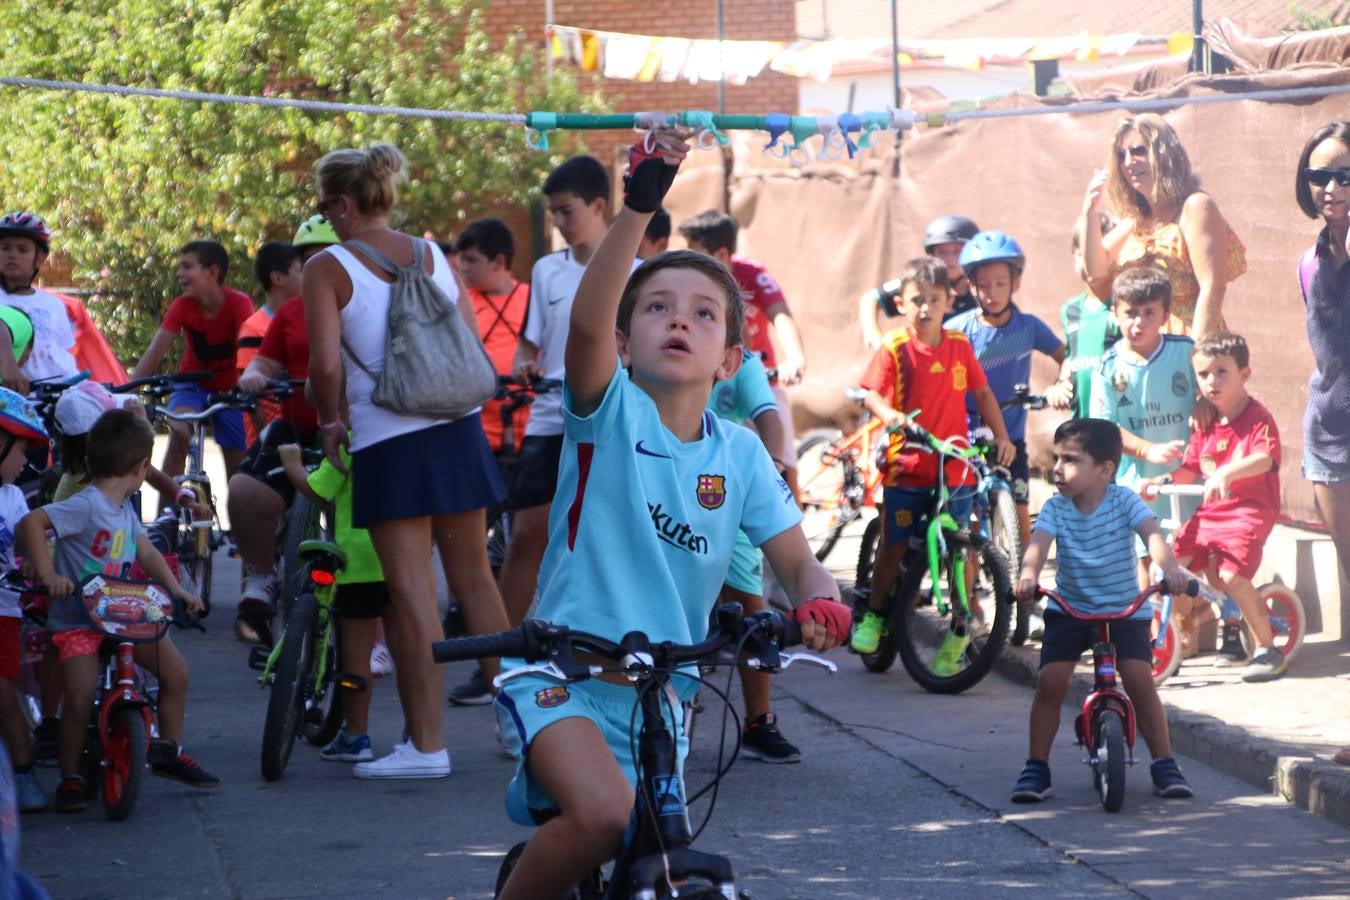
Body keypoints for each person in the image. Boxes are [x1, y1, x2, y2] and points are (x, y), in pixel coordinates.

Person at [490, 131, 849, 900]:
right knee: (603, 817)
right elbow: (587, 325)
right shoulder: (608, 413)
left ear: (731, 362)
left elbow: (795, 561)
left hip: (663, 702)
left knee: (659, 856)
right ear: (624, 346)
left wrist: (818, 601)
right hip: (563, 677)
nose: (679, 321)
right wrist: (638, 208)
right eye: (657, 309)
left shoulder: (741, 454)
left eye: (704, 314)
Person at [304, 143, 508, 779]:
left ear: (343, 204)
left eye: (324, 207)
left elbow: (326, 365)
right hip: (458, 428)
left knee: (413, 592)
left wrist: (330, 419)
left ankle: (427, 746)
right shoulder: (433, 254)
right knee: (476, 581)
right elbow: (468, 340)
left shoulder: (326, 266)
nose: (325, 218)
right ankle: (528, 725)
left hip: (390, 438)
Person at [18, 409, 218, 812]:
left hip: (122, 614)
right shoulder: (86, 505)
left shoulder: (124, 509)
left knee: (176, 673)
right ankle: (71, 777)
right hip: (79, 620)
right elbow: (31, 524)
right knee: (79, 697)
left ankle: (168, 748)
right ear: (141, 467)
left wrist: (177, 589)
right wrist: (48, 573)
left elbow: (147, 552)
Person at [1011, 417, 1193, 803]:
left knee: (1140, 681)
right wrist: (1028, 576)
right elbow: (1038, 546)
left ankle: (1165, 764)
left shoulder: (1125, 501)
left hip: (1125, 610)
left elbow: (1153, 537)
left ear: (1105, 470)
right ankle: (1036, 768)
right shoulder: (1056, 509)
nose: (1058, 468)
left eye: (1071, 460)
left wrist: (1171, 570)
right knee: (1051, 682)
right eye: (1056, 458)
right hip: (1070, 609)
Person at [849, 257, 1015, 670]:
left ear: (949, 302)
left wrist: (1002, 437)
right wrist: (890, 416)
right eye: (917, 300)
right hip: (908, 467)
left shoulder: (959, 345)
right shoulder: (895, 347)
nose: (926, 308)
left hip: (954, 467)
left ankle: (961, 628)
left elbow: (983, 393)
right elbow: (871, 394)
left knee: (963, 549)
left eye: (935, 299)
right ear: (901, 304)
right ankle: (875, 614)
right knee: (893, 546)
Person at [497, 156, 625, 635]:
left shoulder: (636, 272)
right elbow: (527, 347)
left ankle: (609, 647)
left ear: (599, 206)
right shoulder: (547, 270)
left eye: (566, 211)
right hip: (550, 417)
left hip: (611, 423)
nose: (557, 222)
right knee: (527, 534)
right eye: (552, 212)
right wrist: (524, 366)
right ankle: (499, 656)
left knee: (607, 542)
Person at [1138, 332, 1285, 682]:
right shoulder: (1206, 423)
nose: (1211, 381)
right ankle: (1168, 640)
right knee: (1166, 568)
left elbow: (1265, 458)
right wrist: (1160, 483)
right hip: (1212, 513)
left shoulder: (1258, 417)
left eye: (1221, 372)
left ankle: (1268, 648)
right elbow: (1190, 467)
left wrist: (1227, 472)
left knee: (1232, 577)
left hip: (1250, 509)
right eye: (1203, 374)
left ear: (1244, 375)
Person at [229, 220, 336, 643]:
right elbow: (264, 361)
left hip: (356, 427)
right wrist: (254, 375)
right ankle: (261, 576)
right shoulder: (292, 311)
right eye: (308, 260)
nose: (317, 266)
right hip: (298, 427)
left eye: (327, 256)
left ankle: (377, 630)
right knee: (244, 492)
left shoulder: (367, 304)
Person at [446, 217, 531, 704]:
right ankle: (470, 621)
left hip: (528, 439)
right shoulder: (465, 303)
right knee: (469, 542)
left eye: (472, 261)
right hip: (478, 439)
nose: (464, 268)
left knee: (524, 545)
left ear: (499, 262)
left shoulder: (529, 301)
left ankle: (508, 655)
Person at [708, 347, 799, 761]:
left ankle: (759, 721)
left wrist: (774, 466)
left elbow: (769, 416)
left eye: (706, 315)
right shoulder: (646, 362)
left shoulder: (743, 365)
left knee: (751, 611)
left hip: (725, 493)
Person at [948, 231, 1064, 554]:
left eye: (1001, 283)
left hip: (1011, 439)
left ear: (1017, 283)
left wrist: (1061, 384)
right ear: (971, 285)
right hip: (966, 437)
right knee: (968, 523)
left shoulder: (1029, 327)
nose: (992, 292)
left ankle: (1025, 578)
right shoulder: (957, 330)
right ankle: (968, 584)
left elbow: (1065, 358)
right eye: (983, 284)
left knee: (1022, 515)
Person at [1080, 113, 1246, 339]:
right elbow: (1094, 271)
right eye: (1121, 155)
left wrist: (1194, 352)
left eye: (1138, 151)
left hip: (1187, 338)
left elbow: (1213, 287)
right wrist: (1089, 212)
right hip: (1142, 345)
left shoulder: (1195, 207)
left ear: (1164, 153)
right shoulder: (1135, 221)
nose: (1128, 162)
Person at [678, 210, 807, 499]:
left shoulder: (752, 274)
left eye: (696, 253)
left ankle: (788, 513)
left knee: (784, 470)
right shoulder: (689, 281)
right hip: (708, 380)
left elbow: (780, 314)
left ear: (722, 254)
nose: (690, 261)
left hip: (757, 376)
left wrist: (795, 357)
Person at [1294, 123, 1350, 765]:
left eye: (1344, 175)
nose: (1330, 187)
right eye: (1319, 175)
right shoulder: (1308, 262)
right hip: (1330, 440)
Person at [278, 435, 386, 762]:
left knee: (356, 653)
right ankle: (417, 734)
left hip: (359, 561)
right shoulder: (409, 434)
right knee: (404, 644)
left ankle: (355, 736)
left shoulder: (353, 439)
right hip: (402, 559)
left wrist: (292, 465)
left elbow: (317, 489)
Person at [131, 239, 253, 503]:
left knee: (238, 463)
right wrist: (127, 392)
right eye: (180, 267)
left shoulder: (238, 303)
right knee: (180, 432)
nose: (179, 273)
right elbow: (155, 352)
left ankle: (239, 522)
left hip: (231, 389)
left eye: (187, 267)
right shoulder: (183, 305)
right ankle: (167, 514)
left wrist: (247, 389)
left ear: (213, 272)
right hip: (192, 385)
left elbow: (249, 354)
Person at [1089, 266, 1198, 551]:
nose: (1139, 322)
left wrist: (1205, 404)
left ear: (1165, 315)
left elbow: (1215, 392)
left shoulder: (1186, 352)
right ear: (1115, 314)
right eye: (1131, 312)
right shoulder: (1107, 367)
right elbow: (1103, 430)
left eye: (1149, 312)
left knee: (1193, 558)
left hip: (1188, 484)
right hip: (1138, 487)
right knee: (1146, 559)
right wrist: (1146, 449)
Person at [0, 391, 51, 813]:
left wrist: (34, 563)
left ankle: (22, 771)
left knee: (4, 692)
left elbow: (27, 543)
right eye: (20, 450)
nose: (24, 462)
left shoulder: (13, 498)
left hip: (4, 611)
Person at [858, 215, 980, 349]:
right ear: (932, 255)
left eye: (958, 251)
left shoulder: (983, 286)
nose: (950, 258)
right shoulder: (923, 282)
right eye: (942, 252)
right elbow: (870, 298)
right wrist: (873, 334)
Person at [1046, 225, 1122, 418]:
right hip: (1081, 426)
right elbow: (1071, 358)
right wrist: (1060, 385)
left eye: (1094, 254)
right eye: (1081, 255)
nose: (1087, 263)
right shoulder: (1070, 310)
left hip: (1118, 425)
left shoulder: (1127, 310)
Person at [0, 212, 79, 393]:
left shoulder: (53, 304)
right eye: (5, 248)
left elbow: (62, 351)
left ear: (40, 258)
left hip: (59, 393)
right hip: (15, 396)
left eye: (22, 250)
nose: (12, 255)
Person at [238, 241, 302, 446]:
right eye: (300, 270)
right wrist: (269, 439)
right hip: (271, 439)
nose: (307, 276)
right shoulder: (254, 328)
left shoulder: (306, 319)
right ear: (278, 278)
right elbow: (250, 394)